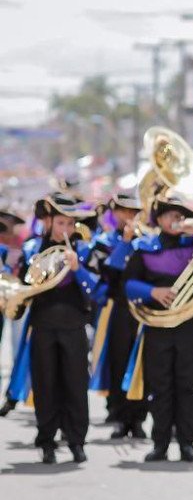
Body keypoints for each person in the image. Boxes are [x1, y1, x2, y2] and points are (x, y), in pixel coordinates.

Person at [123, 192, 193, 462]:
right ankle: (159, 443)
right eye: (171, 215)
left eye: (181, 215)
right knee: (160, 385)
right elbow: (127, 284)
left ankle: (187, 442)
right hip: (157, 324)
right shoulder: (144, 247)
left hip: (191, 324)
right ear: (159, 219)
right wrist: (153, 291)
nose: (176, 220)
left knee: (189, 385)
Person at [17, 195, 103, 464]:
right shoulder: (32, 249)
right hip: (43, 325)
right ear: (49, 221)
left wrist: (77, 269)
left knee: (75, 384)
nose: (64, 228)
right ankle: (46, 441)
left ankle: (76, 440)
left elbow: (95, 290)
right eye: (60, 222)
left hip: (73, 325)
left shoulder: (83, 250)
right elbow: (23, 287)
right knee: (45, 384)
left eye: (69, 223)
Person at [90, 194, 146, 439]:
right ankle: (121, 416)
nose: (128, 217)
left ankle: (139, 418)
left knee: (142, 361)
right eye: (123, 211)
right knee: (119, 360)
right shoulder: (103, 242)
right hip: (117, 309)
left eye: (133, 212)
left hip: (142, 308)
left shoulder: (146, 241)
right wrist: (124, 243)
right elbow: (108, 274)